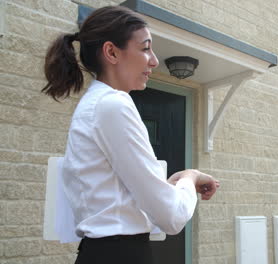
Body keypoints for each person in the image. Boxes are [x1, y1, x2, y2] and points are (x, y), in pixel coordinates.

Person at [42, 6, 219, 264]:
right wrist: (190, 178)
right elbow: (171, 216)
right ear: (112, 52)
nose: (155, 61)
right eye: (145, 48)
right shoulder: (113, 105)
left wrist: (171, 184)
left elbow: (116, 199)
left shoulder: (97, 104)